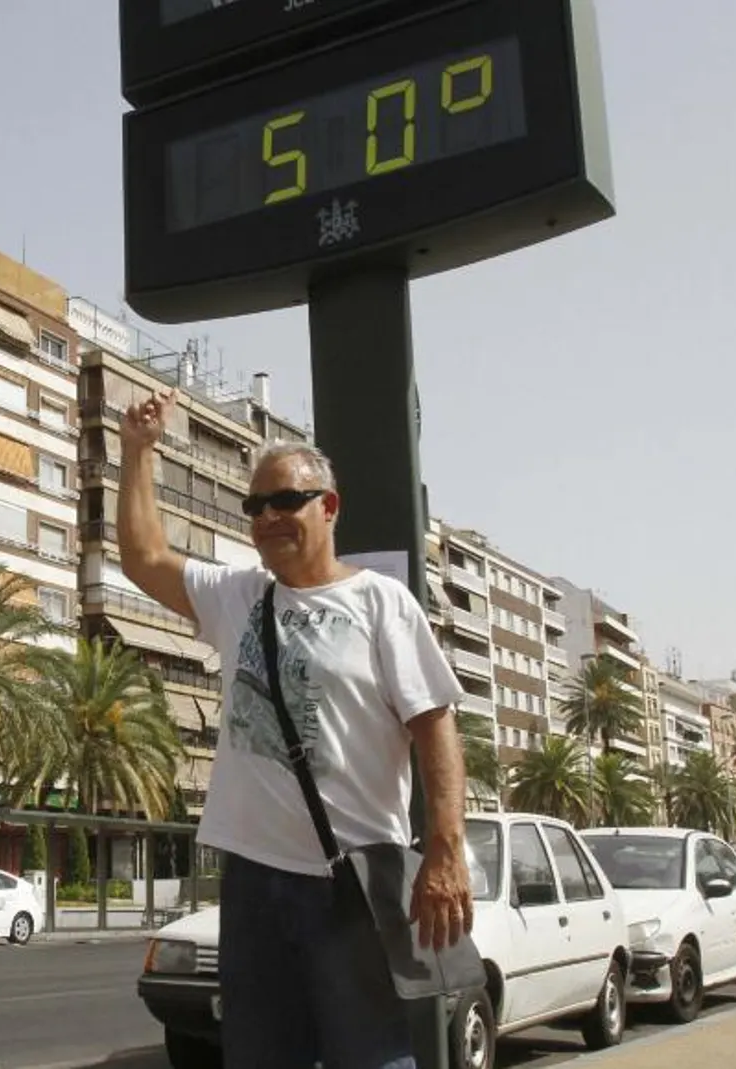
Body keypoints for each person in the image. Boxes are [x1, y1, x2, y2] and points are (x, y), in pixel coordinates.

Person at [116, 388, 472, 1069]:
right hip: (253, 880)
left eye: (285, 501)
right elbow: (142, 557)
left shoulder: (380, 602)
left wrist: (446, 850)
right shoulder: (239, 595)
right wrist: (137, 452)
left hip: (357, 881)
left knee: (372, 1057)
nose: (268, 518)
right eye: (256, 506)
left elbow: (435, 724)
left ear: (328, 506)